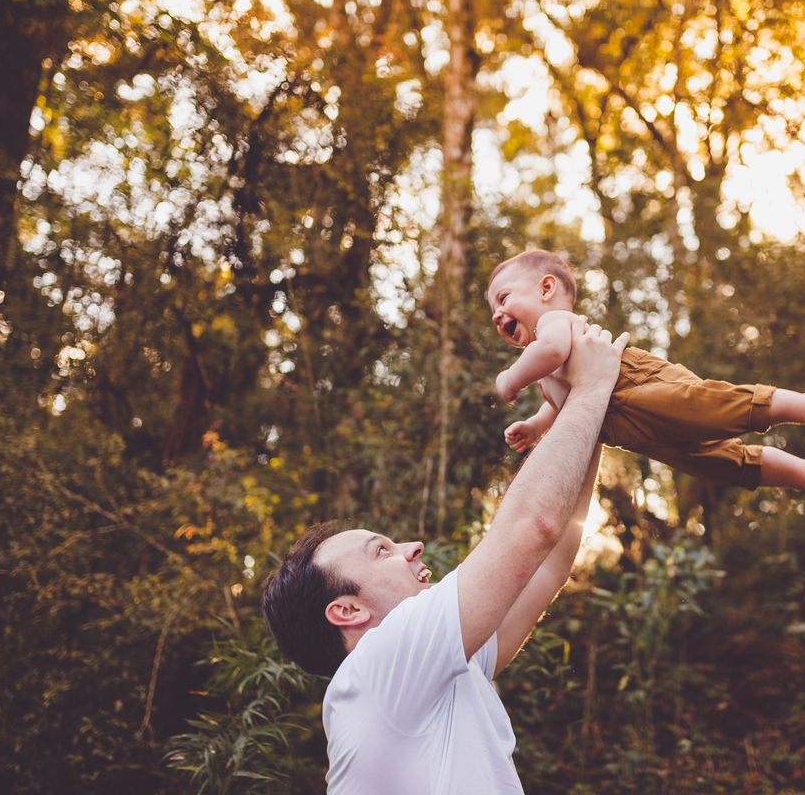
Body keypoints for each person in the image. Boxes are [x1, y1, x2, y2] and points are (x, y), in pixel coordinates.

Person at [261, 317, 628, 795]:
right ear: (347, 611)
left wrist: (581, 413)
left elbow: (551, 562)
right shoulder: (376, 667)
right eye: (382, 550)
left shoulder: (441, 669)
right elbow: (533, 527)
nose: (413, 546)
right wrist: (593, 386)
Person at [488, 250, 805, 520]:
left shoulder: (552, 324)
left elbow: (552, 350)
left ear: (546, 288)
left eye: (503, 298)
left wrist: (509, 379)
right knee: (721, 463)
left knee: (711, 407)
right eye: (493, 311)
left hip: (636, 384)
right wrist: (535, 426)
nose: (497, 314)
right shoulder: (545, 368)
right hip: (631, 428)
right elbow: (560, 406)